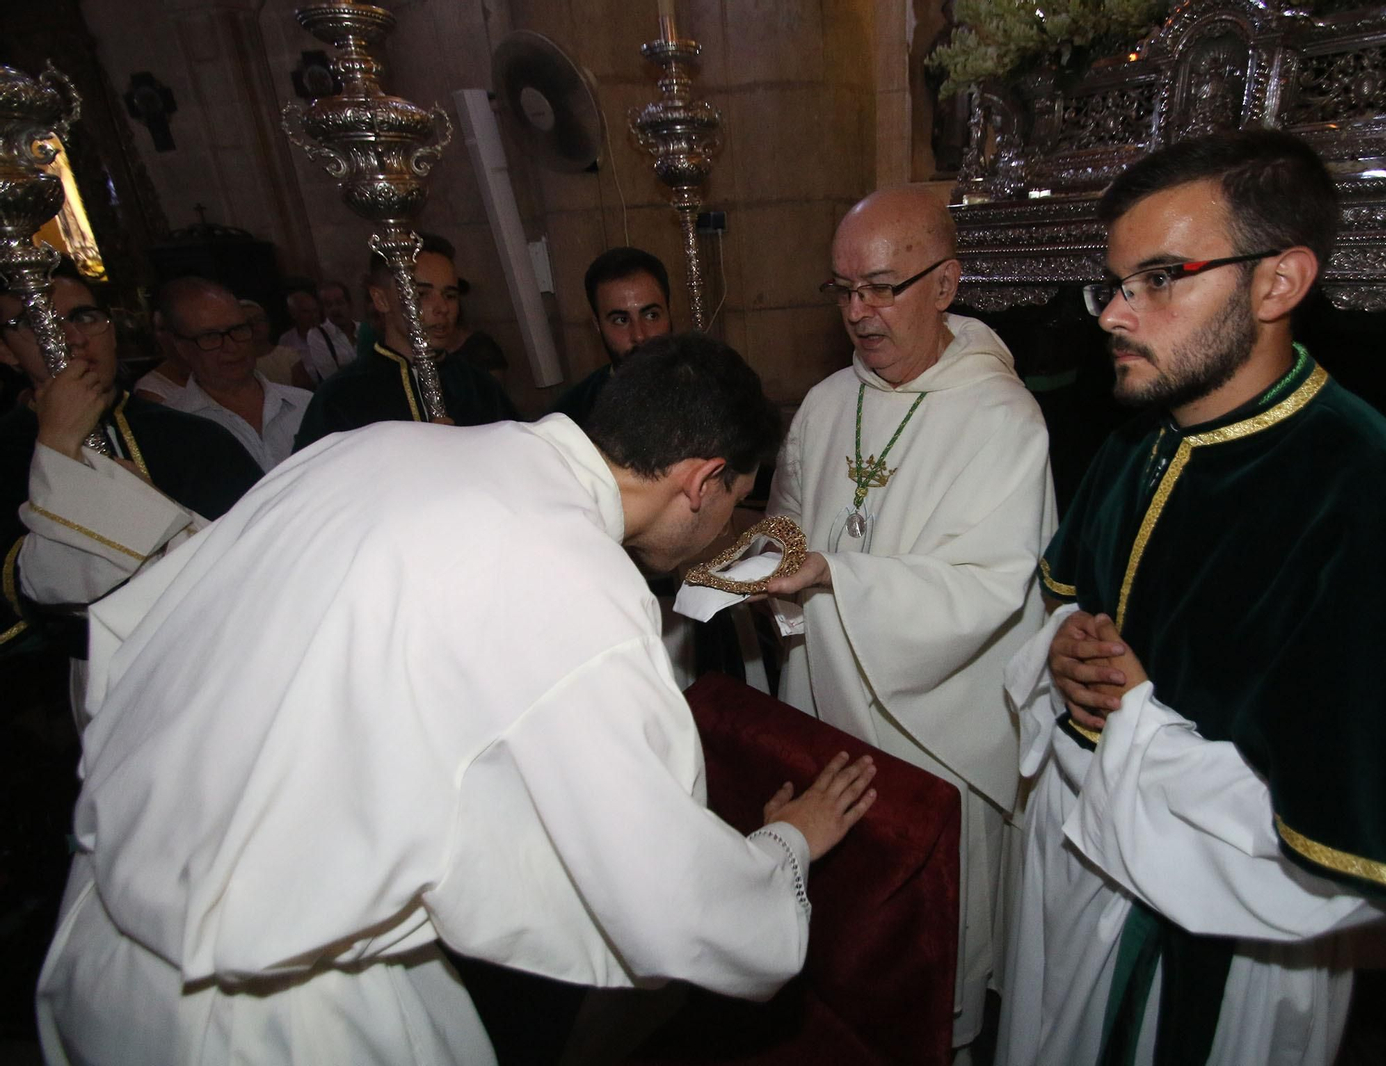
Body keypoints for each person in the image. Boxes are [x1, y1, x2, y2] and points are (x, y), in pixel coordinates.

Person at [36, 333, 878, 1066]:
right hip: (261, 1002)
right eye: (736, 500)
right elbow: (664, 891)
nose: (727, 524)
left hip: (99, 926)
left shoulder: (373, 447)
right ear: (704, 480)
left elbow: (151, 615)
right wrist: (781, 852)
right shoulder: (577, 585)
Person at [996, 130, 1386, 1065]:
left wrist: (1137, 722)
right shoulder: (1140, 442)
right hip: (1080, 876)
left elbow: (1358, 827)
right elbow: (1065, 602)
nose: (1115, 316)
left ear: (1280, 281)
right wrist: (1058, 650)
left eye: (1161, 278)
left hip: (1229, 933)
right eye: (1114, 283)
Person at [765, 186, 1055, 1056]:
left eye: (883, 287)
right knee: (840, 950)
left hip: (937, 733)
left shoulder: (1003, 419)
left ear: (946, 283)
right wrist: (765, 563)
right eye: (843, 290)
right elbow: (789, 520)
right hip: (823, 705)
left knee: (930, 968)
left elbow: (994, 590)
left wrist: (836, 577)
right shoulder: (824, 404)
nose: (859, 314)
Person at [0, 271, 261, 698]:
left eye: (84, 317)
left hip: (229, 665)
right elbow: (30, 606)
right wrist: (60, 448)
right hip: (100, 690)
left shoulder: (195, 437)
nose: (70, 338)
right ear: (5, 351)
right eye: (35, 321)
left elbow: (260, 561)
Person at [293, 237, 520, 449]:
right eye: (422, 294)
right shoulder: (340, 397)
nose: (442, 308)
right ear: (381, 299)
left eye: (450, 295)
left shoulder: (479, 388)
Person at [161, 277, 311, 471]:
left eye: (238, 330)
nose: (231, 347)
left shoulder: (305, 405)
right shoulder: (172, 429)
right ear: (182, 347)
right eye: (211, 336)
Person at [551, 246, 673, 427]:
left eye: (651, 316)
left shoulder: (717, 392)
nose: (639, 335)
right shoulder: (571, 417)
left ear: (669, 313)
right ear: (598, 325)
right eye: (621, 320)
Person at [240, 298, 310, 389]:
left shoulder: (288, 355)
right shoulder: (239, 363)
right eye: (248, 322)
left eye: (259, 319)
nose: (254, 325)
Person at [302, 280, 359, 384]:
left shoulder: (363, 329)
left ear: (349, 304)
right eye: (328, 305)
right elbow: (331, 377)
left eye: (339, 302)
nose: (335, 309)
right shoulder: (317, 335)